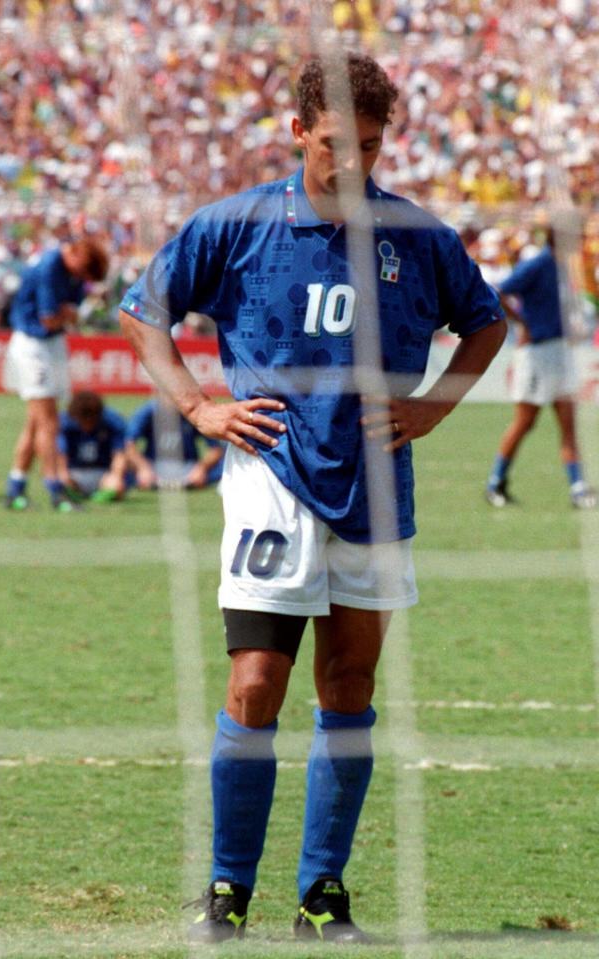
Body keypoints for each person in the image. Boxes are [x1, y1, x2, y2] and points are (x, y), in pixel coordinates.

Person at [118, 53, 506, 944]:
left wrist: (434, 406)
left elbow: (487, 323)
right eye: (336, 144)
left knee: (350, 682)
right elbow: (146, 308)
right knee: (257, 683)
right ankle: (227, 890)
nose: (354, 162)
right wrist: (195, 404)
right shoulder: (239, 223)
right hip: (271, 482)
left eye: (370, 145)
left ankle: (321, 894)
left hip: (374, 486)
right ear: (298, 132)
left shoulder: (420, 238)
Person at [484, 226, 597, 509]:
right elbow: (498, 291)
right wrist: (522, 322)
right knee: (525, 422)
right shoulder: (538, 264)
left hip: (560, 351)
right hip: (537, 354)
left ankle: (578, 487)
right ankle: (495, 482)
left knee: (568, 422)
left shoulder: (563, 266)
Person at [3, 236, 109, 512]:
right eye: (81, 271)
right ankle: (55, 489)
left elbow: (70, 314)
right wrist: (66, 314)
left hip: (53, 343)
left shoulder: (73, 269)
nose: (80, 278)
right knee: (49, 422)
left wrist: (66, 314)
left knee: (36, 423)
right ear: (74, 256)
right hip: (32, 345)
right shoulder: (50, 266)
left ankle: (15, 488)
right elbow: (50, 317)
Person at [124, 396, 225, 490]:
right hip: (154, 466)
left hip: (188, 466)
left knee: (225, 465)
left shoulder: (193, 413)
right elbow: (129, 445)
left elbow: (216, 449)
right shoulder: (147, 412)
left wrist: (201, 468)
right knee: (123, 465)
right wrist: (143, 468)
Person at [56, 390, 128, 502]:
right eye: (83, 421)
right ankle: (75, 494)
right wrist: (64, 475)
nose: (87, 424)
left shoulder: (113, 422)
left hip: (102, 473)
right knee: (60, 483)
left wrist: (116, 476)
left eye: (91, 420)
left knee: (117, 486)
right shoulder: (64, 423)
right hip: (74, 472)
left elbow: (119, 455)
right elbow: (60, 454)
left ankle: (96, 497)